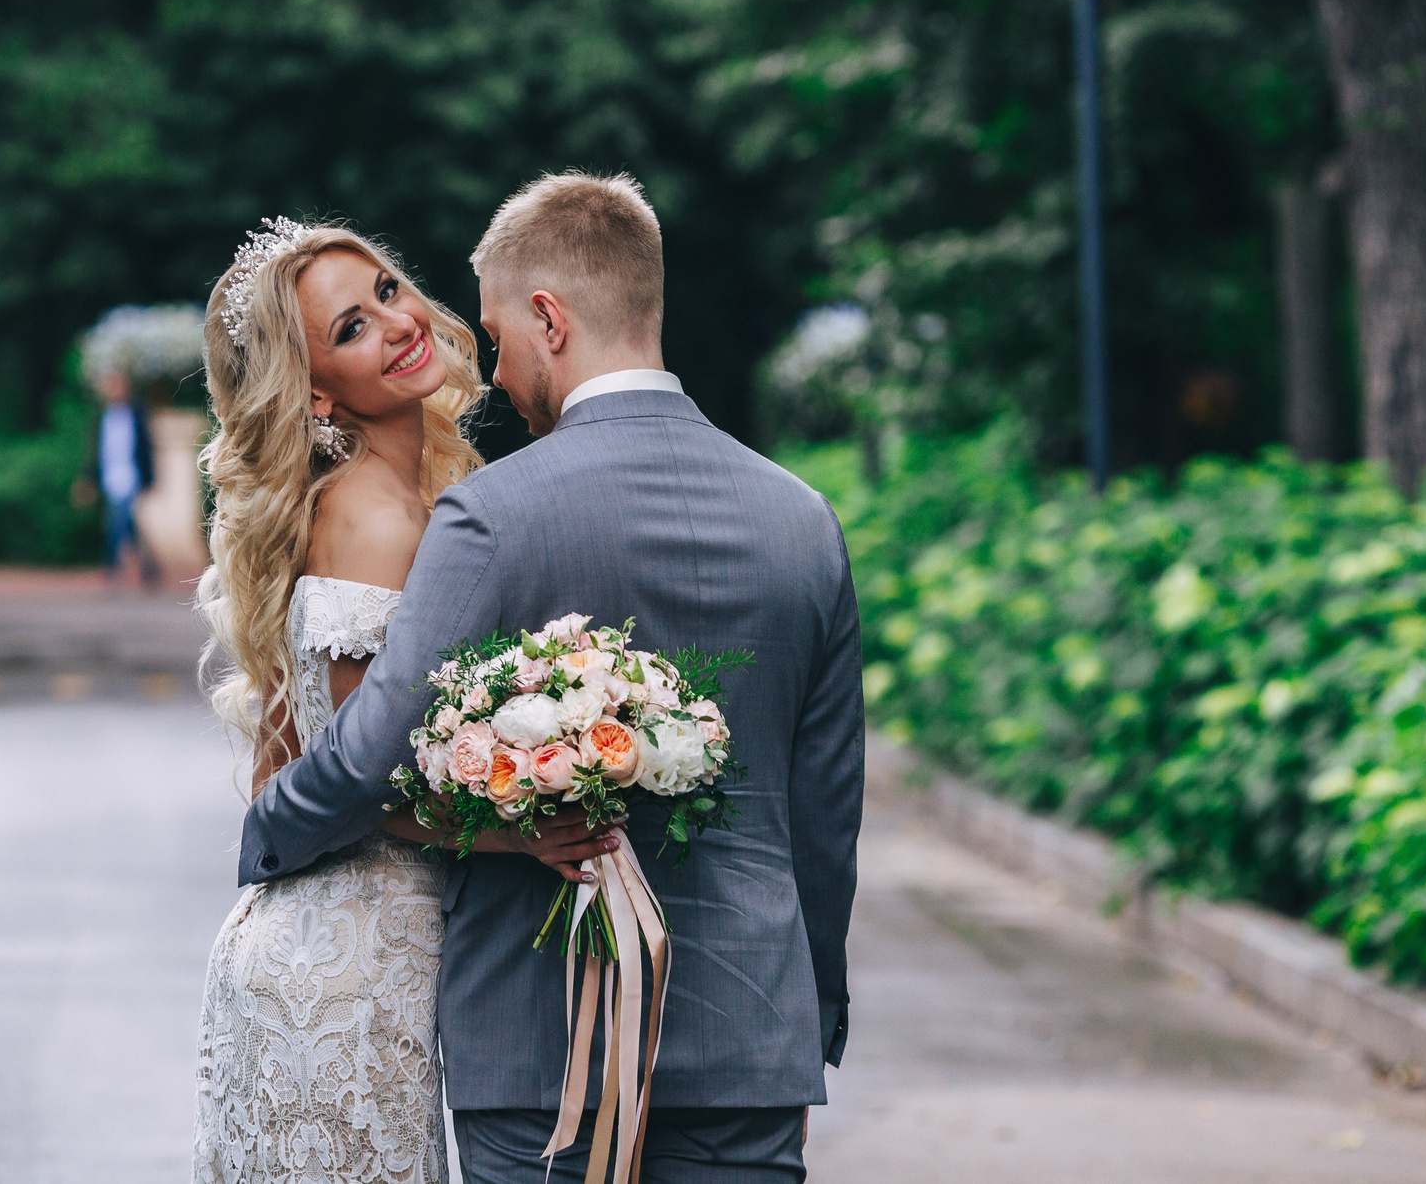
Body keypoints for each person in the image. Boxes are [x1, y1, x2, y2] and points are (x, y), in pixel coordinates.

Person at [236, 174, 864, 1184]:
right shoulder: (805, 520)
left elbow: (369, 756)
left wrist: (266, 829)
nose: (491, 368)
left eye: (496, 337)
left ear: (549, 319)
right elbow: (826, 814)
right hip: (749, 1036)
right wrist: (811, 1007)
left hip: (538, 1051)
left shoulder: (489, 515)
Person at [192, 218, 615, 1184]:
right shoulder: (377, 520)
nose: (395, 321)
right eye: (350, 328)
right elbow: (363, 777)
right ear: (315, 390)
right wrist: (526, 834)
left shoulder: (374, 498)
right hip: (346, 976)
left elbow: (278, 767)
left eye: (386, 290)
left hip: (319, 944)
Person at [86, 368, 160, 588]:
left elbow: (146, 448)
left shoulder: (135, 414)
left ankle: (111, 567)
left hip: (130, 477)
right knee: (128, 526)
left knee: (115, 523)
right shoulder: (103, 417)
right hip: (110, 478)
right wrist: (90, 478)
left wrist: (148, 478)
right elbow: (97, 450)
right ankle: (150, 567)